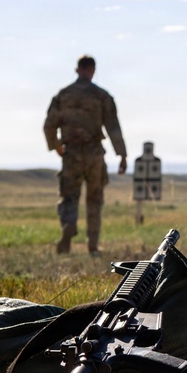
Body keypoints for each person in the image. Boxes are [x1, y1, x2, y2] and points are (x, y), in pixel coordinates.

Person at [43, 55, 127, 256]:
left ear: (77, 70)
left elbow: (48, 125)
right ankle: (93, 245)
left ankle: (68, 226)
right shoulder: (101, 96)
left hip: (71, 153)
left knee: (69, 197)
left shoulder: (63, 95)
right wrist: (122, 155)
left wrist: (55, 145)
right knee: (95, 200)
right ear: (93, 70)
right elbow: (113, 127)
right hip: (94, 154)